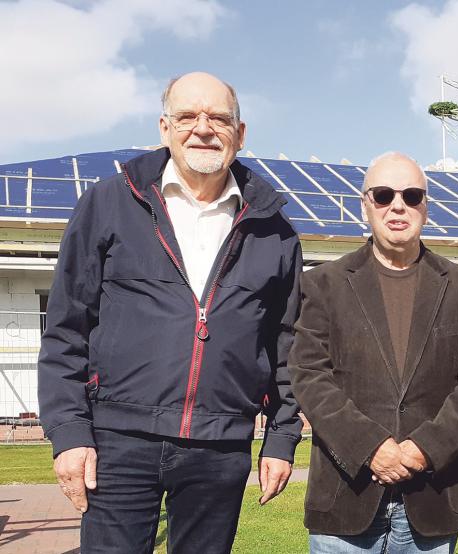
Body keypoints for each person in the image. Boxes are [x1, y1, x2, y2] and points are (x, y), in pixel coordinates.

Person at [37, 72, 303, 553]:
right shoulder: (109, 203)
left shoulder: (275, 230)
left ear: (240, 134)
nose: (203, 128)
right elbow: (66, 329)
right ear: (164, 128)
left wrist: (282, 438)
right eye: (187, 117)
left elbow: (286, 345)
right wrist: (70, 432)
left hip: (220, 445)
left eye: (219, 118)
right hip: (117, 441)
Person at [289, 152, 458, 553]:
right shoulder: (323, 285)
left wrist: (426, 448)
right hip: (345, 500)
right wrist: (370, 447)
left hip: (432, 498)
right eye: (383, 195)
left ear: (426, 206)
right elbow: (309, 374)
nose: (398, 205)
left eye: (412, 195)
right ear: (365, 204)